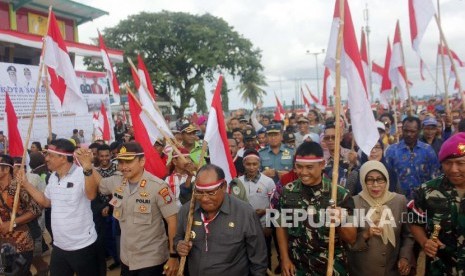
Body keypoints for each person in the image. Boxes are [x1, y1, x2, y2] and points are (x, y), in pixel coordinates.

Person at [76, 142, 179, 275]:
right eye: (121, 162)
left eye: (128, 162)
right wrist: (88, 165)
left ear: (142, 161)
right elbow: (100, 183)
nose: (124, 167)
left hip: (151, 259)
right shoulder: (117, 181)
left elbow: (172, 222)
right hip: (127, 258)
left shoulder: (158, 187)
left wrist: (173, 255)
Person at [275, 141, 356, 275]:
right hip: (298, 266)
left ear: (322, 165)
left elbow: (352, 238)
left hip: (331, 267)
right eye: (299, 167)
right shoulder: (287, 192)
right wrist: (284, 258)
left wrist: (340, 220)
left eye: (309, 167)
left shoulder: (340, 194)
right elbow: (281, 226)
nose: (303, 172)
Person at [21, 139, 100, 275]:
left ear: (63, 158)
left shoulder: (82, 173)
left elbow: (91, 195)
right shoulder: (53, 177)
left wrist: (88, 168)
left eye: (50, 155)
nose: (46, 159)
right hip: (59, 246)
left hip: (83, 245)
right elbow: (46, 202)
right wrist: (26, 184)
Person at [175, 164, 268, 275]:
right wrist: (179, 246)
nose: (204, 199)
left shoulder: (244, 213)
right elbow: (178, 238)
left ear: (223, 186)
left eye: (211, 193)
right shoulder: (187, 211)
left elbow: (258, 258)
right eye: (199, 192)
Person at [408, 132, 465, 275]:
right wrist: (424, 242)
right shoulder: (427, 190)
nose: (453, 169)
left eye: (460, 163)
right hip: (440, 267)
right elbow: (412, 220)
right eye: (447, 163)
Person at [348, 160, 414, 276]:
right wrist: (365, 234)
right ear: (363, 181)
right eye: (370, 180)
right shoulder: (353, 203)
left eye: (380, 179)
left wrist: (405, 257)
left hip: (392, 271)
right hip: (362, 271)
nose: (375, 185)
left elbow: (408, 235)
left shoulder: (399, 201)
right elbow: (347, 242)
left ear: (387, 180)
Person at [0, 154, 42, 275]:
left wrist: (12, 223)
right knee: (10, 272)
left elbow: (36, 209)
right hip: (4, 243)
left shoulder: (19, 187)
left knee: (18, 273)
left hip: (20, 243)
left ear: (7, 169)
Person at [385, 116, 440, 199]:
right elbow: (387, 177)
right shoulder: (392, 151)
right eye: (406, 131)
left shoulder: (428, 150)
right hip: (399, 200)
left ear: (419, 131)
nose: (408, 134)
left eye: (412, 131)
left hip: (424, 200)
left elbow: (435, 176)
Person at [238, 149, 275, 270]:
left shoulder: (268, 182)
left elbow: (273, 206)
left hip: (263, 226)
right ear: (243, 164)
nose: (251, 167)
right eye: (248, 164)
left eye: (255, 164)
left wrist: (269, 226)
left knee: (265, 253)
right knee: (247, 254)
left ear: (259, 164)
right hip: (244, 227)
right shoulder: (238, 182)